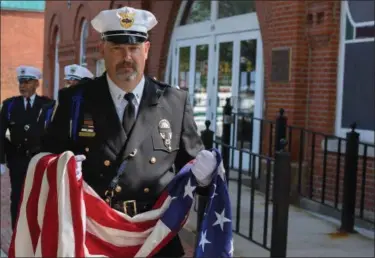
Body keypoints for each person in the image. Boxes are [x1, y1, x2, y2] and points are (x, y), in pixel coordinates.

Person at [40, 6, 214, 257]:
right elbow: (43, 157)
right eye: (117, 48)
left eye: (133, 48)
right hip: (95, 235)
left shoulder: (173, 101)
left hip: (156, 236)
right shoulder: (76, 100)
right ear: (101, 49)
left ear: (146, 50)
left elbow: (192, 165)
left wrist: (206, 177)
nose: (126, 57)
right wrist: (59, 167)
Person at [0, 65, 54, 229]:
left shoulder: (48, 105)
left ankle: (36, 228)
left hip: (39, 159)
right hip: (17, 159)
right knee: (17, 196)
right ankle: (17, 230)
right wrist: (1, 160)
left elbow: (53, 133)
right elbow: (0, 133)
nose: (23, 86)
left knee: (39, 194)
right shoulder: (10, 105)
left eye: (27, 82)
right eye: (21, 82)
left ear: (36, 84)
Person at [38, 64, 94, 131]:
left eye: (75, 80)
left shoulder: (88, 111)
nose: (70, 82)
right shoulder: (49, 108)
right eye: (68, 80)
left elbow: (87, 135)